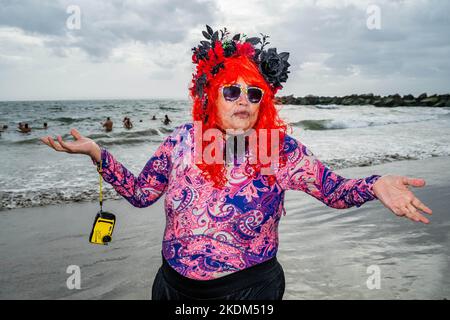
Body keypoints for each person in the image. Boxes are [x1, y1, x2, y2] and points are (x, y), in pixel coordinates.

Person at [40, 25, 433, 300]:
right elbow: (142, 195)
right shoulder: (180, 141)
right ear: (211, 96)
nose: (243, 100)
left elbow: (333, 190)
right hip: (172, 288)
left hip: (248, 290)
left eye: (254, 93)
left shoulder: (276, 149)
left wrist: (374, 184)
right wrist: (98, 153)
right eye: (231, 91)